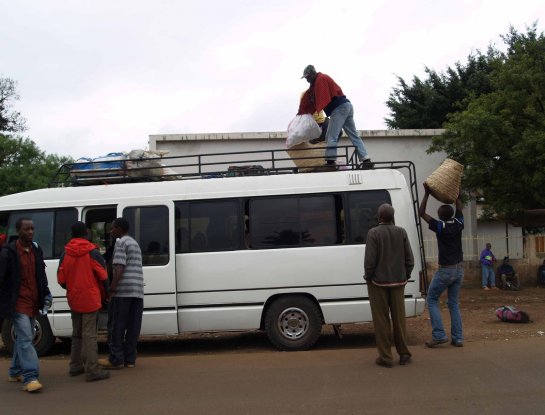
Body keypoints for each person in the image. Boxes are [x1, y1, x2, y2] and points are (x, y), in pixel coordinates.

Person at [0, 218, 51, 392]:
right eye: (26, 229)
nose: (30, 232)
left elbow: (41, 275)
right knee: (27, 338)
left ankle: (15, 372)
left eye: (32, 229)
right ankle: (30, 377)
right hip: (17, 303)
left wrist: (46, 293)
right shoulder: (8, 252)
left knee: (23, 338)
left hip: (33, 301)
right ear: (18, 231)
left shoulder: (36, 250)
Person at [57, 221, 110, 382]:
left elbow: (61, 279)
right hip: (90, 298)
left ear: (72, 234)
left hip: (74, 298)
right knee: (90, 335)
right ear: (86, 233)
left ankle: (75, 366)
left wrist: (72, 288)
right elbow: (103, 276)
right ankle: (92, 370)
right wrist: (106, 294)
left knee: (77, 334)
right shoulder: (92, 252)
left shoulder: (65, 253)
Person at [364, 204, 414, 368]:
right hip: (399, 282)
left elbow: (370, 261)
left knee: (381, 320)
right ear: (392, 216)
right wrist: (406, 274)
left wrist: (368, 277)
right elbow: (410, 259)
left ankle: (386, 357)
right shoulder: (401, 232)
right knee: (399, 319)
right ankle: (404, 354)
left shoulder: (373, 233)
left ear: (379, 217)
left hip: (378, 283)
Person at [297, 65, 372, 170]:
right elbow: (313, 96)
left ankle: (330, 162)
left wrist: (306, 111)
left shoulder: (320, 80)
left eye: (307, 77)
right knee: (354, 135)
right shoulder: (320, 80)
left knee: (331, 136)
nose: (306, 80)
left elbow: (318, 99)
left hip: (339, 108)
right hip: (347, 106)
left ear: (312, 74)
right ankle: (366, 160)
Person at [419, 184, 465, 348]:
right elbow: (459, 206)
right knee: (453, 303)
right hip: (459, 269)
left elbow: (421, 213)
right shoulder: (458, 223)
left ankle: (439, 335)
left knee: (431, 299)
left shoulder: (440, 226)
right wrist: (457, 194)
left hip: (445, 270)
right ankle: (458, 338)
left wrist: (427, 194)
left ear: (439, 215)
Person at [99, 218, 144, 369]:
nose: (111, 232)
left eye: (112, 229)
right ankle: (130, 359)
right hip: (137, 291)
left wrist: (111, 289)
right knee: (133, 326)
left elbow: (119, 267)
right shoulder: (134, 243)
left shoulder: (120, 242)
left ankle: (116, 359)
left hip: (123, 291)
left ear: (118, 229)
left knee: (116, 325)